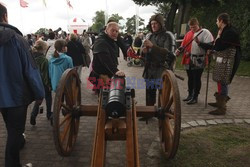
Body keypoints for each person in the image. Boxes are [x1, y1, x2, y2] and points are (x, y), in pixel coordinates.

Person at [0, 3, 45, 167]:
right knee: (14, 131)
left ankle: (19, 143)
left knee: (12, 128)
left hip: (5, 97)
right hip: (16, 95)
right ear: (5, 16)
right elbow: (31, 70)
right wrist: (40, 93)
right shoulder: (18, 39)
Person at [207, 13, 241, 115]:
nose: (216, 22)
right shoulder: (225, 31)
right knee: (220, 80)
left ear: (221, 21)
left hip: (227, 62)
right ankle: (219, 102)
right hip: (222, 61)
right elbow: (218, 45)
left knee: (224, 81)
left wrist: (217, 40)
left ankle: (222, 108)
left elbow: (220, 45)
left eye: (217, 20)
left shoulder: (230, 32)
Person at [175, 18, 214, 104]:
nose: (193, 29)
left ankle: (195, 96)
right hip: (189, 59)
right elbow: (183, 45)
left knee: (196, 78)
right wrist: (178, 50)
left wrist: (199, 43)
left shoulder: (205, 32)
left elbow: (210, 46)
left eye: (194, 27)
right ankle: (190, 94)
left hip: (200, 58)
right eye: (191, 27)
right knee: (190, 78)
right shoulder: (188, 34)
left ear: (198, 24)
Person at [142, 14, 175, 108]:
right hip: (150, 69)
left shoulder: (168, 35)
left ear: (160, 24)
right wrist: (144, 52)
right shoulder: (149, 36)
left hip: (163, 69)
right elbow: (143, 54)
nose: (153, 25)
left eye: (155, 23)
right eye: (152, 23)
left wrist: (152, 46)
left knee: (163, 95)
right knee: (149, 94)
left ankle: (163, 115)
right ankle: (148, 112)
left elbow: (169, 54)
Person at [88, 22, 125, 94]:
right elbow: (104, 58)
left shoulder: (109, 40)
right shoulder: (101, 41)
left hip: (107, 73)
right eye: (112, 30)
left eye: (116, 31)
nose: (115, 32)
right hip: (101, 75)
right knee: (104, 97)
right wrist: (115, 71)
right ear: (107, 30)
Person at [30, 40, 52, 125]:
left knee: (39, 99)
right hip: (43, 82)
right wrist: (49, 84)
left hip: (34, 82)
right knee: (48, 97)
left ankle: (33, 114)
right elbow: (46, 74)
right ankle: (49, 114)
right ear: (43, 49)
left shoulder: (31, 58)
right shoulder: (44, 60)